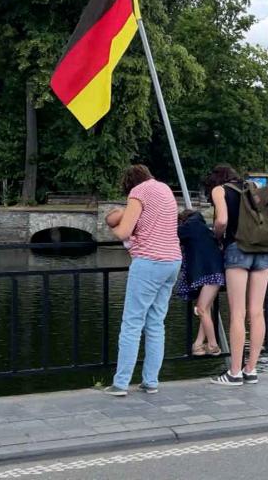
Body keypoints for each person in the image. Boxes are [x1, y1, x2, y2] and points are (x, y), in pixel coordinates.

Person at [103, 164, 181, 397]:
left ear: (129, 184)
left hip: (149, 261)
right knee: (156, 323)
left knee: (132, 323)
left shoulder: (139, 192)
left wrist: (115, 228)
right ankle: (151, 381)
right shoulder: (165, 189)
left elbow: (123, 232)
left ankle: (121, 383)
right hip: (172, 261)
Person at [206, 165, 268, 387]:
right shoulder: (255, 189)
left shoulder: (220, 190)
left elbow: (222, 221)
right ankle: (251, 369)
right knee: (257, 312)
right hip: (263, 250)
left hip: (237, 249)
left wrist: (217, 236)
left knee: (238, 312)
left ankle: (234, 372)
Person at [176, 209, 225, 356]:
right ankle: (198, 344)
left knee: (202, 309)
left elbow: (174, 235)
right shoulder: (203, 228)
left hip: (208, 274)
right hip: (216, 273)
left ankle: (213, 345)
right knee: (206, 309)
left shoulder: (189, 228)